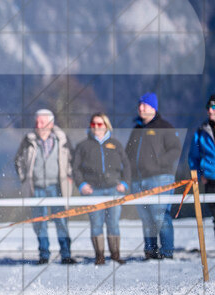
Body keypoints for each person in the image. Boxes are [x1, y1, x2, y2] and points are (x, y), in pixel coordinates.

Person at [13, 109, 75, 265]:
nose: (38, 125)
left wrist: (69, 176)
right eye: (37, 121)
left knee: (61, 221)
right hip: (37, 188)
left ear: (51, 123)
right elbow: (18, 161)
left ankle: (66, 254)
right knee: (39, 223)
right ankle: (44, 255)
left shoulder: (62, 140)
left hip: (57, 187)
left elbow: (71, 160)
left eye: (42, 122)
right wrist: (24, 178)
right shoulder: (28, 140)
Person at [125, 92, 181, 259]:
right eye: (139, 105)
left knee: (160, 217)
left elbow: (175, 150)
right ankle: (150, 251)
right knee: (146, 218)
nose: (141, 108)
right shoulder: (136, 129)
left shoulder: (165, 127)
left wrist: (157, 163)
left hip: (160, 178)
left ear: (153, 108)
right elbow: (128, 153)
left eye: (145, 105)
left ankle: (166, 252)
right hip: (138, 181)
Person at [72, 113, 130, 265]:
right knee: (96, 224)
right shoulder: (83, 146)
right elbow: (75, 169)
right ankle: (99, 257)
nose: (96, 127)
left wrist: (124, 183)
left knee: (113, 224)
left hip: (114, 190)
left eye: (100, 124)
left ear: (106, 125)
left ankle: (116, 255)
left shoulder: (116, 144)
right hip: (93, 192)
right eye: (93, 124)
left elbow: (127, 166)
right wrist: (81, 185)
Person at [189, 94, 215, 245]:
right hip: (210, 178)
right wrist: (199, 175)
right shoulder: (201, 131)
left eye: (213, 107)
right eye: (208, 108)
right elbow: (193, 156)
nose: (210, 111)